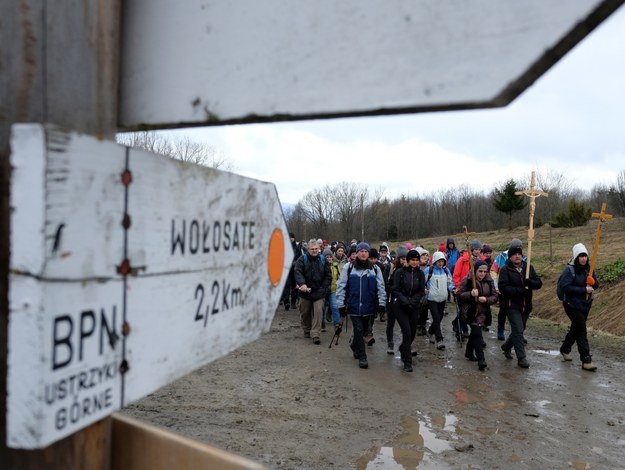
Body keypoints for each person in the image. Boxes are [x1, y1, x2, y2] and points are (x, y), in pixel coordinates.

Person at [336, 242, 386, 369]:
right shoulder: (348, 267)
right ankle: (363, 357)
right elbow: (341, 286)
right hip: (354, 305)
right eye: (361, 251)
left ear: (368, 253)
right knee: (358, 330)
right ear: (356, 253)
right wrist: (340, 304)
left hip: (370, 306)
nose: (363, 253)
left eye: (366, 251)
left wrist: (381, 303)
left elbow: (381, 287)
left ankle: (354, 345)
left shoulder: (375, 269)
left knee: (364, 331)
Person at [498, 244, 542, 368]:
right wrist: (521, 290)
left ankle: (506, 346)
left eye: (519, 254)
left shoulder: (528, 268)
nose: (517, 256)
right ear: (510, 257)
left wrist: (530, 282)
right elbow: (503, 287)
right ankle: (521, 358)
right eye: (514, 254)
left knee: (520, 330)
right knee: (518, 330)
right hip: (512, 306)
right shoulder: (505, 270)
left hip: (526, 306)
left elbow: (539, 283)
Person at [558, 243, 599, 371]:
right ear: (576, 257)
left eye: (585, 256)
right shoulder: (569, 270)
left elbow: (595, 286)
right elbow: (566, 288)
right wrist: (583, 289)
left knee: (576, 328)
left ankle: (565, 349)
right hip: (571, 304)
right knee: (581, 329)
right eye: (581, 256)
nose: (583, 259)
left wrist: (594, 283)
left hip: (585, 305)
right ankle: (586, 360)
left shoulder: (589, 270)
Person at [457, 260, 498, 371]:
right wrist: (470, 294)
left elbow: (495, 296)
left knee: (475, 334)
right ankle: (481, 360)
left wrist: (486, 299)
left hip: (483, 312)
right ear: (475, 270)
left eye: (485, 271)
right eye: (480, 271)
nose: (483, 273)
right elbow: (459, 294)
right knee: (477, 334)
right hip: (470, 311)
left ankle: (469, 352)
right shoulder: (468, 280)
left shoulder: (489, 281)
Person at [390, 249, 425, 372]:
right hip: (400, 306)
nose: (415, 262)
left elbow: (421, 290)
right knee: (407, 333)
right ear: (408, 261)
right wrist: (405, 301)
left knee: (413, 333)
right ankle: (407, 361)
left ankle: (404, 348)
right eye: (412, 260)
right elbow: (396, 289)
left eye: (417, 260)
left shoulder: (420, 274)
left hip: (414, 306)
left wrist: (413, 301)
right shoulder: (400, 272)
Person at [294, 239, 332, 345]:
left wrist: (324, 288)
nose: (314, 251)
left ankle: (315, 333)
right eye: (312, 249)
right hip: (304, 292)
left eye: (316, 249)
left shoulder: (323, 260)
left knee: (319, 311)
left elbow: (328, 276)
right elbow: (297, 272)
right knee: (305, 312)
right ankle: (307, 329)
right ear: (308, 249)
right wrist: (302, 284)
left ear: (319, 249)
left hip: (319, 292)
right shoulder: (302, 259)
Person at [490, 238, 524, 340]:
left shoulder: (523, 257)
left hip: (519, 290)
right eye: (515, 248)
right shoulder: (501, 257)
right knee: (503, 310)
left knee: (519, 312)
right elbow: (493, 271)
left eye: (519, 248)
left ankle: (518, 333)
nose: (518, 252)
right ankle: (500, 330)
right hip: (504, 289)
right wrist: (496, 286)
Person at [422, 251, 455, 350]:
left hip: (442, 299)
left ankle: (431, 331)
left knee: (439, 318)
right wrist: (424, 290)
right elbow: (421, 282)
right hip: (431, 299)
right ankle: (439, 340)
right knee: (436, 318)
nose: (441, 264)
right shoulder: (428, 270)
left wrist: (453, 289)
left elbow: (450, 283)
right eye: (439, 261)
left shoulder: (446, 271)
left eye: (442, 261)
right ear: (435, 261)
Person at [386, 246, 407, 354]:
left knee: (404, 324)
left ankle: (406, 344)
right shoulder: (391, 268)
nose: (404, 261)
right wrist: (392, 289)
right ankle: (390, 343)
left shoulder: (408, 270)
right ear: (398, 259)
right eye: (402, 258)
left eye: (405, 259)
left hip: (402, 301)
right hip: (391, 300)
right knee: (391, 323)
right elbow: (385, 283)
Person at [323, 248, 342, 328]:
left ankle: (337, 323)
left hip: (333, 290)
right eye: (327, 257)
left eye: (330, 257)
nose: (329, 258)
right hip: (323, 291)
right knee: (322, 308)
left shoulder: (336, 266)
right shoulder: (321, 266)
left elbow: (340, 278)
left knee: (335, 306)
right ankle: (322, 324)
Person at [415, 247, 431, 336]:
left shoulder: (430, 267)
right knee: (418, 310)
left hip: (427, 292)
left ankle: (423, 325)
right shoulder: (417, 266)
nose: (425, 257)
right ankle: (418, 326)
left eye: (427, 255)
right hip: (418, 292)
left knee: (425, 310)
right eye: (423, 255)